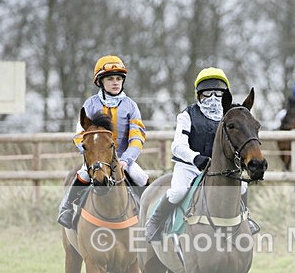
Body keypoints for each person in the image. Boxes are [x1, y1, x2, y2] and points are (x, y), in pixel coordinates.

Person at [144, 67, 257, 242]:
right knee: (177, 192)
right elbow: (177, 145)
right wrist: (195, 158)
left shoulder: (230, 116)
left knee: (242, 186)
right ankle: (155, 223)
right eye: (207, 94)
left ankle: (245, 218)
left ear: (225, 96)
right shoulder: (187, 115)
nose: (213, 99)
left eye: (218, 94)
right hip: (190, 167)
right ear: (199, 95)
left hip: (218, 169)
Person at [57, 55, 148, 229]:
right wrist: (91, 155)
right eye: (110, 79)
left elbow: (137, 137)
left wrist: (126, 160)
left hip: (122, 159)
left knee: (141, 177)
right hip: (95, 157)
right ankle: (67, 208)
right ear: (100, 82)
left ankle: (148, 216)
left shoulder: (131, 106)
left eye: (119, 79)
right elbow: (79, 135)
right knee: (83, 174)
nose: (115, 82)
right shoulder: (90, 104)